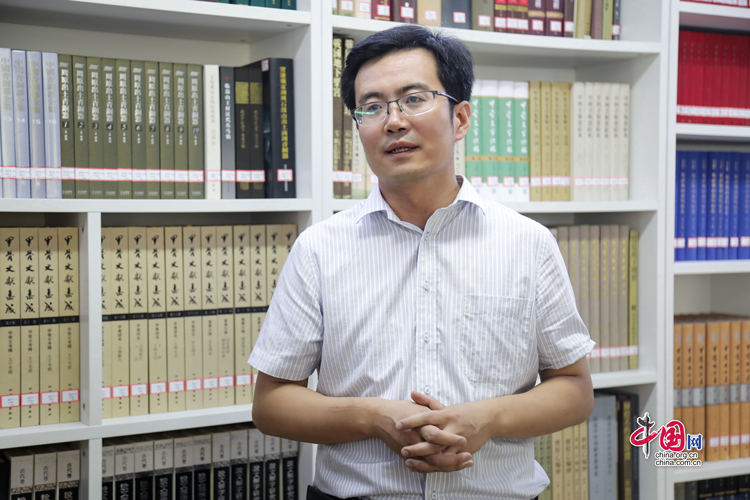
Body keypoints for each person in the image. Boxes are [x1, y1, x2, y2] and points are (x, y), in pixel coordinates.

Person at [250, 24, 595, 500]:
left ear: (460, 119)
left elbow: (574, 389)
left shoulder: (528, 243)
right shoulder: (319, 249)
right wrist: (373, 417)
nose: (393, 121)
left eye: (414, 99)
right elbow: (271, 404)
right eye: (372, 107)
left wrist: (489, 418)